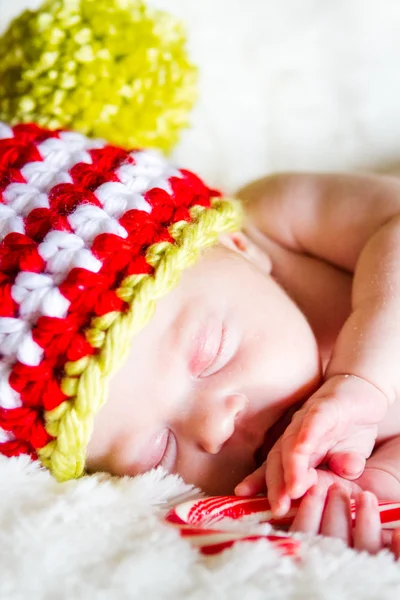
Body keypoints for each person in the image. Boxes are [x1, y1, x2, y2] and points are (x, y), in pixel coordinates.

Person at [1, 123, 400, 556]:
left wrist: (365, 379)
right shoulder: (286, 476)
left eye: (212, 354)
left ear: (237, 245)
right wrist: (374, 483)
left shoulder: (277, 216)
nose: (214, 430)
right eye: (159, 453)